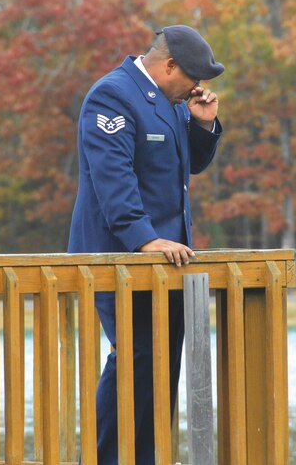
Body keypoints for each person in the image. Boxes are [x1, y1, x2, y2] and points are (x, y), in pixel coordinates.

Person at [68, 24, 224, 464]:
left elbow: (185, 166)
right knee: (134, 356)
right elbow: (111, 177)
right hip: (119, 254)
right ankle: (111, 459)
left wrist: (202, 125)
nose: (197, 87)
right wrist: (144, 239)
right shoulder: (111, 95)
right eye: (191, 78)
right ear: (169, 64)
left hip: (167, 260)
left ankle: (147, 457)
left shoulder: (171, 100)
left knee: (161, 363)